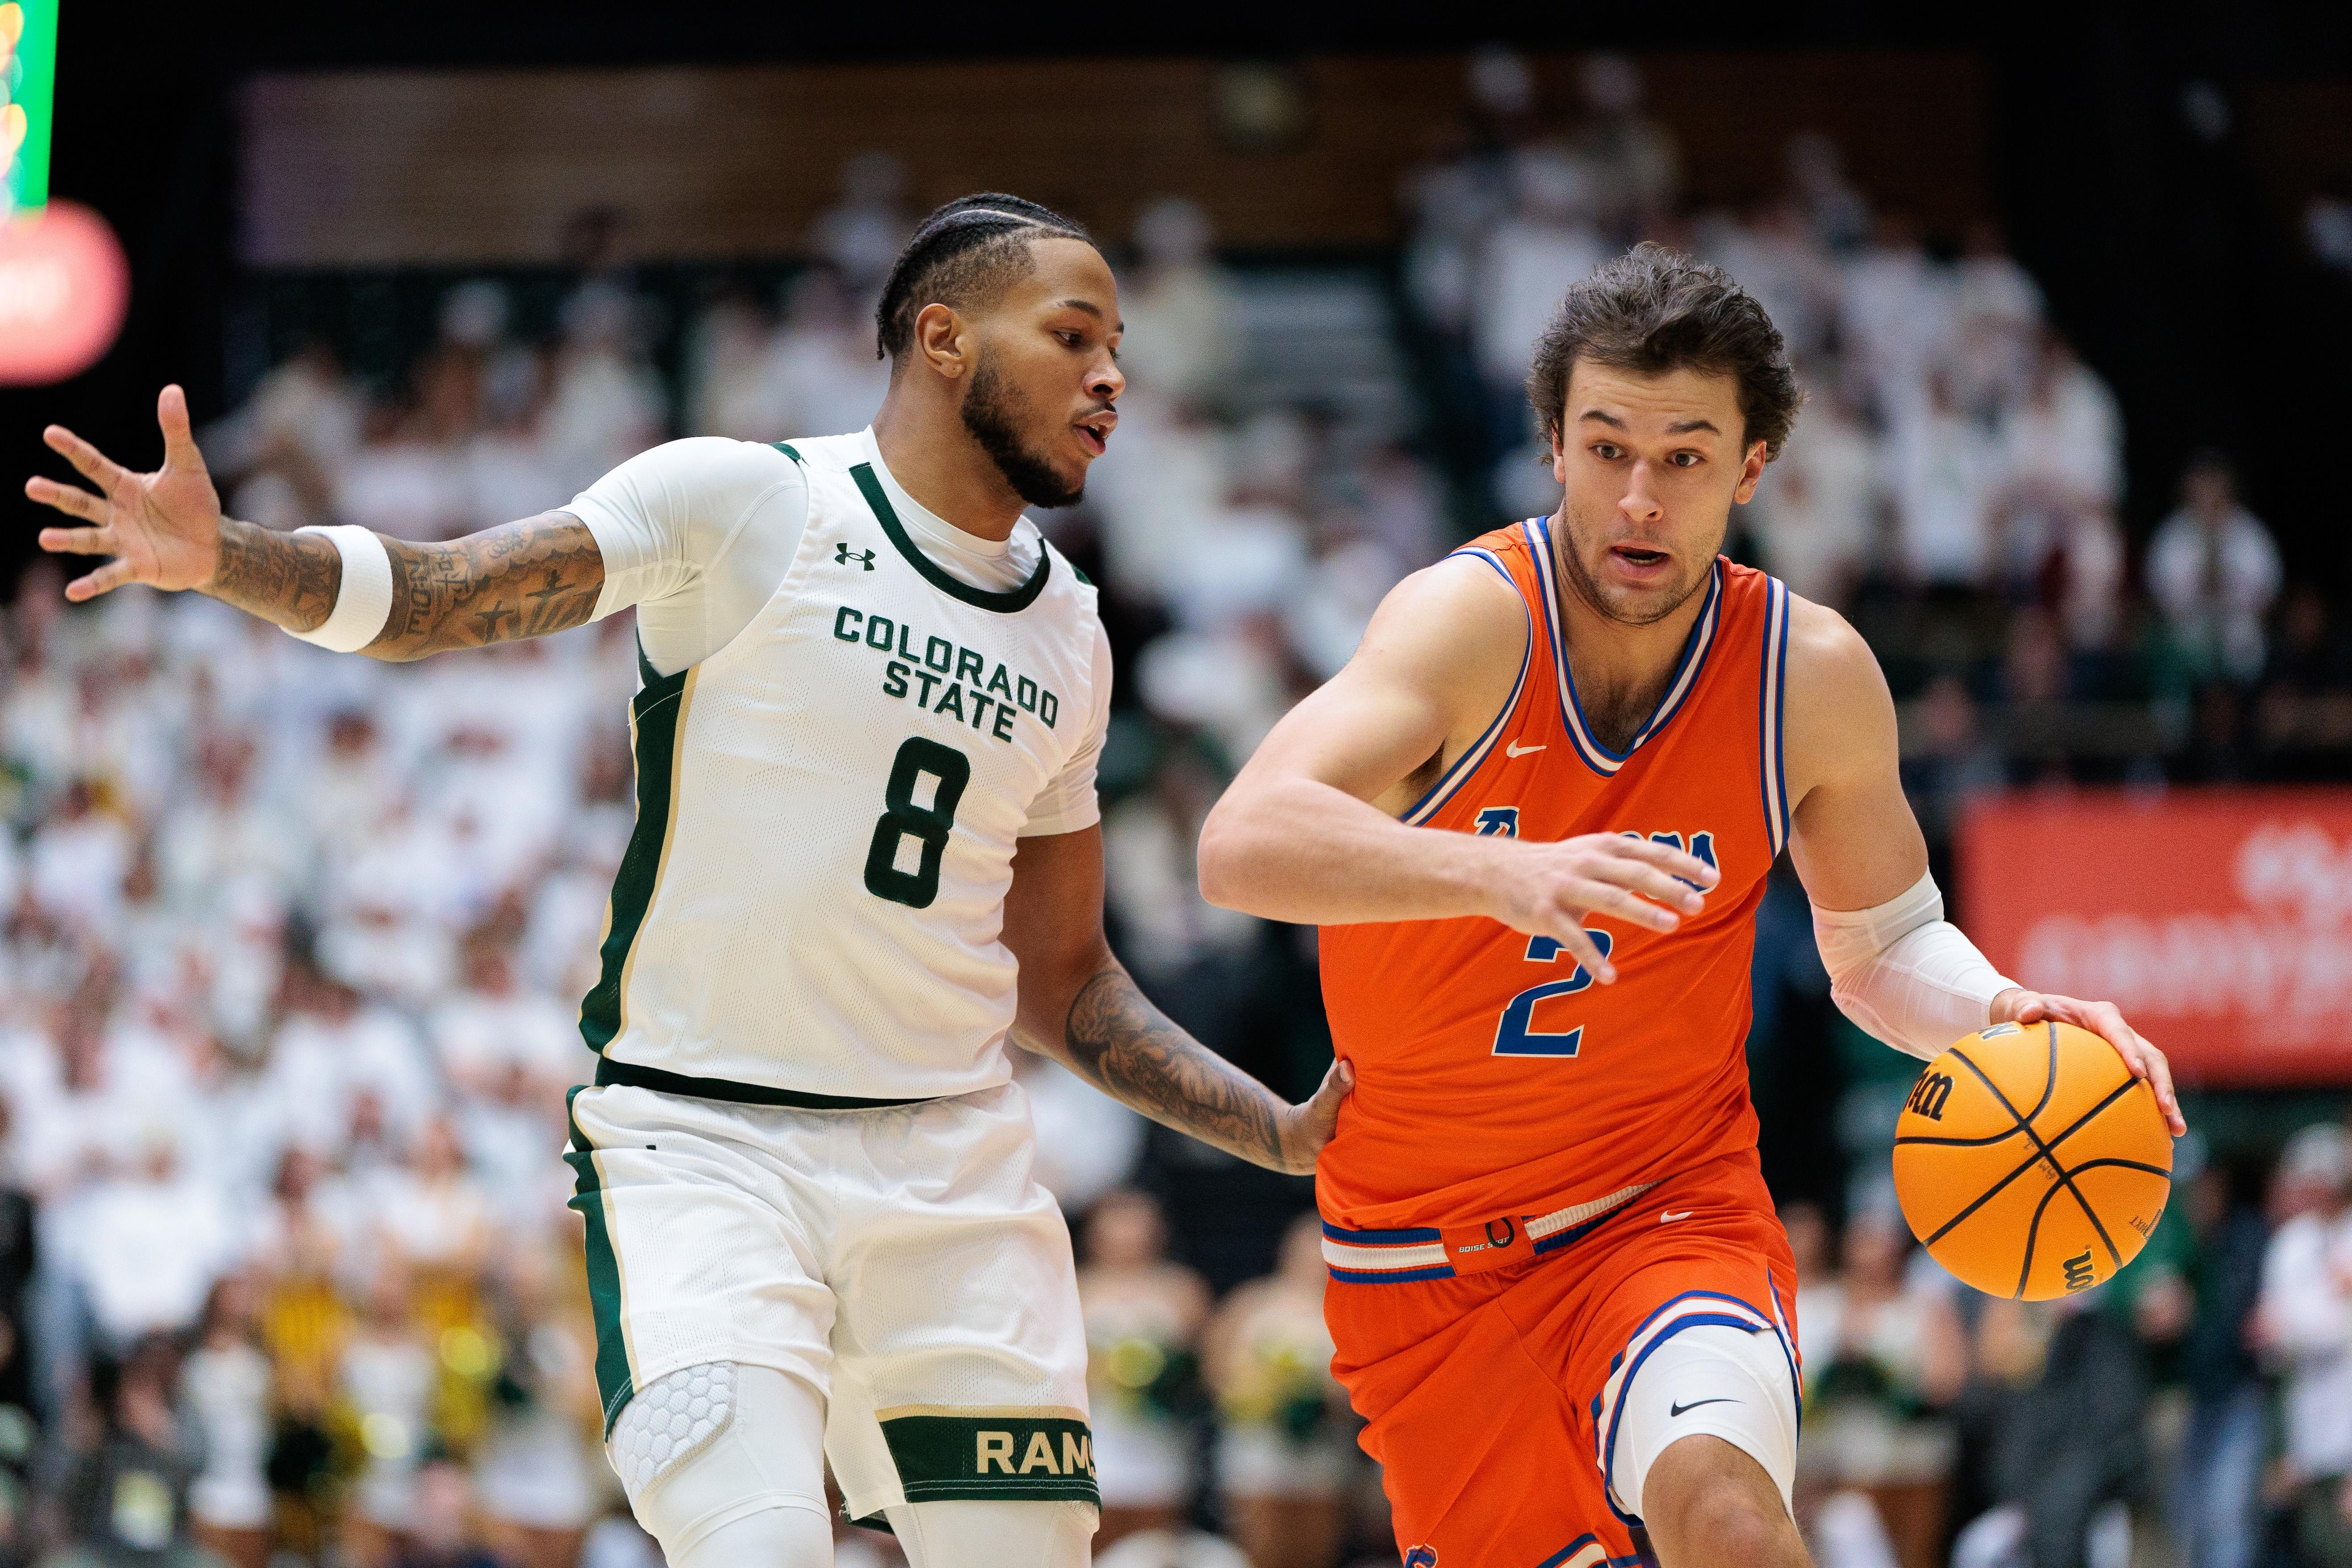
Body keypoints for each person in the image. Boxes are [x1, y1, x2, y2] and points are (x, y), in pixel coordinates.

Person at [24, 191, 1349, 1568]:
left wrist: (1274, 1131)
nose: (1112, 374)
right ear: (943, 339)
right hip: (708, 1146)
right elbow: (440, 596)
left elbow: (1066, 982)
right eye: (1075, 336)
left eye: (1119, 344)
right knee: (757, 1547)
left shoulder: (1071, 629)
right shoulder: (747, 501)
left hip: (952, 1165)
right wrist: (221, 556)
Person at [1195, 244, 2179, 1568]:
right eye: (1607, 450)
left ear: (1754, 466)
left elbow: (1882, 947)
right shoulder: (1466, 623)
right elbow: (1243, 840)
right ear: (1551, 446)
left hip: (1664, 1206)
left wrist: (2001, 1009)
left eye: (1685, 457)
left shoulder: (1809, 674)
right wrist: (1504, 872)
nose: (1639, 498)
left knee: (1724, 1511)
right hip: (1421, 1260)